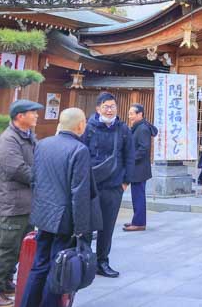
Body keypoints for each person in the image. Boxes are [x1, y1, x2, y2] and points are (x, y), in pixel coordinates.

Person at [19, 108, 100, 307]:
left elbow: (35, 180)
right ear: (80, 125)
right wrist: (81, 229)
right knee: (58, 269)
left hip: (43, 214)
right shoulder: (79, 150)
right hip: (64, 218)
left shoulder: (43, 145)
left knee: (39, 265)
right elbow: (79, 193)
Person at [0, 100, 41, 307]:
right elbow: (17, 169)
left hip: (27, 202)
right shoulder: (8, 140)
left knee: (20, 247)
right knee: (8, 247)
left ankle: (6, 282)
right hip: (14, 203)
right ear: (19, 116)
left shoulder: (27, 136)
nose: (36, 116)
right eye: (32, 113)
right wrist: (41, 179)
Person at [82, 92, 134, 277]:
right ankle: (85, 261)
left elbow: (130, 156)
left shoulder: (123, 129)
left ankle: (102, 261)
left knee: (107, 226)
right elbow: (80, 154)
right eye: (106, 107)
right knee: (86, 225)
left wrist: (125, 182)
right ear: (98, 109)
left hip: (113, 186)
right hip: (90, 185)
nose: (109, 110)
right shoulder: (88, 128)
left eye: (112, 106)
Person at [124, 104, 157, 232]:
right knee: (136, 195)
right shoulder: (138, 127)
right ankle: (136, 220)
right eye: (129, 113)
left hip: (140, 168)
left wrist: (130, 158)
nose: (129, 116)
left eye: (132, 113)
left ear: (140, 114)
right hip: (137, 167)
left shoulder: (142, 128)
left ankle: (139, 223)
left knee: (138, 196)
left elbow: (144, 148)